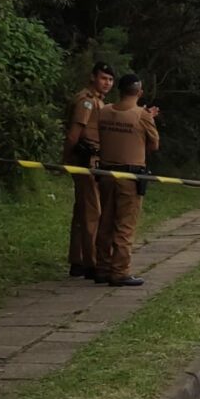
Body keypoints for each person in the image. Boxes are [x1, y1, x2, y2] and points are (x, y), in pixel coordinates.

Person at [94, 74, 159, 287]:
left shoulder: (103, 111)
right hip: (130, 177)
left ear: (119, 90)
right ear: (139, 93)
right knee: (125, 225)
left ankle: (102, 267)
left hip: (105, 174)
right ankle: (120, 271)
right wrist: (149, 119)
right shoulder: (141, 115)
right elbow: (154, 144)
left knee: (105, 222)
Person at [64, 62, 115, 279]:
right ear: (93, 77)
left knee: (82, 211)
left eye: (111, 80)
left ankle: (78, 260)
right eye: (104, 78)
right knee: (93, 212)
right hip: (86, 160)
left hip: (93, 160)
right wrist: (66, 159)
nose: (107, 83)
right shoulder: (86, 101)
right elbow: (74, 135)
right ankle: (91, 263)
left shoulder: (98, 102)